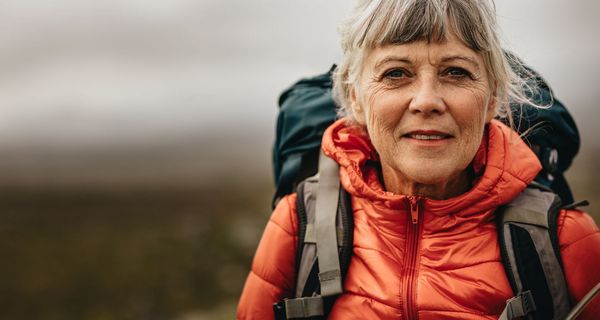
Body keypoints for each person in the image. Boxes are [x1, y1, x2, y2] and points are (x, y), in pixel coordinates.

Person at [238, 0, 600, 319]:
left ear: (492, 98)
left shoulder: (566, 239)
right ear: (357, 99)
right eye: (396, 73)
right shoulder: (297, 223)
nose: (426, 100)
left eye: (455, 72)